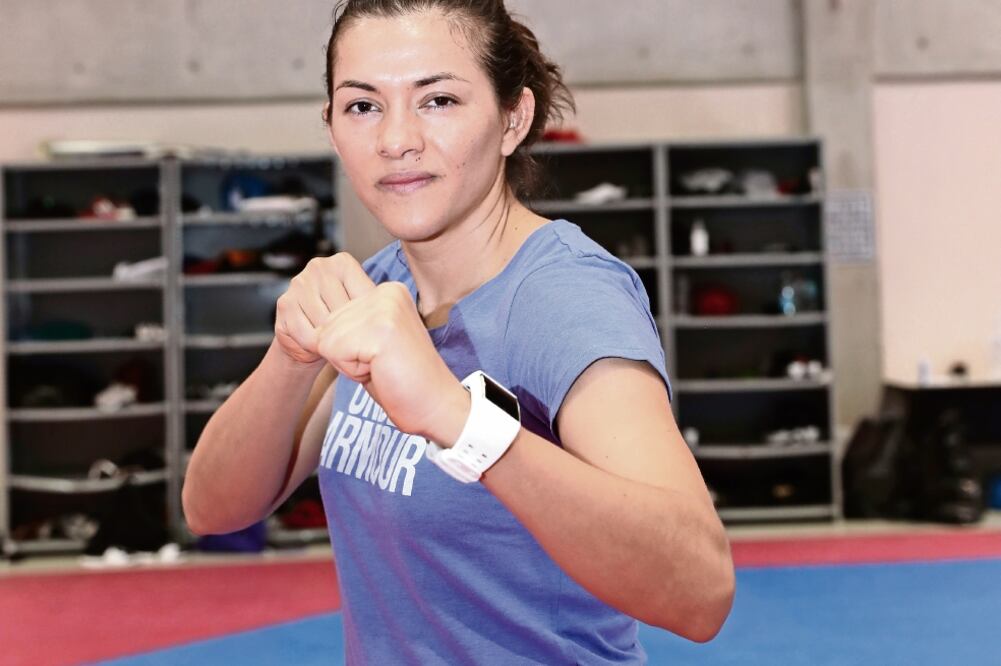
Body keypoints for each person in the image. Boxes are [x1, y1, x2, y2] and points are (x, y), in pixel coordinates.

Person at [183, 0, 735, 662]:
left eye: (437, 100)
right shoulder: (379, 288)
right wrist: (290, 356)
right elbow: (211, 509)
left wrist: (459, 420)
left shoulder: (563, 297)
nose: (396, 139)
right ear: (331, 129)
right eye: (362, 106)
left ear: (512, 118)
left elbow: (700, 591)